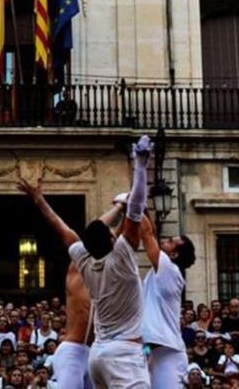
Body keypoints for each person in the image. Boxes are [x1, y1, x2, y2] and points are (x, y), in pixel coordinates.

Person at [23, 135, 153, 388]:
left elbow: (63, 230)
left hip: (98, 354)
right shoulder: (121, 259)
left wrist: (39, 199)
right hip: (121, 354)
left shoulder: (84, 260)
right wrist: (140, 165)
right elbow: (136, 209)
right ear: (111, 240)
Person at [18, 179, 128, 388]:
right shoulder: (79, 265)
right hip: (72, 351)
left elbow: (120, 236)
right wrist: (119, 207)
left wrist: (128, 211)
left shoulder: (106, 273)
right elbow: (63, 226)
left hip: (96, 351)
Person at [138, 193, 196, 387]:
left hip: (168, 354)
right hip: (153, 349)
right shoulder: (162, 270)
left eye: (170, 241)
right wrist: (143, 207)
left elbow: (147, 235)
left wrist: (135, 205)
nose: (164, 241)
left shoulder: (169, 270)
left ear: (174, 253)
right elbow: (151, 234)